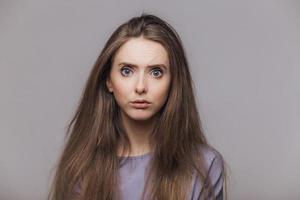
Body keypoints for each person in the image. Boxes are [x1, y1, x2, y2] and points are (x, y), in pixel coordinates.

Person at [47, 13, 227, 200]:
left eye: (156, 72)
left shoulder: (204, 165)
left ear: (174, 82)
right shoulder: (81, 166)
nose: (140, 87)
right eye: (127, 71)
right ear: (108, 80)